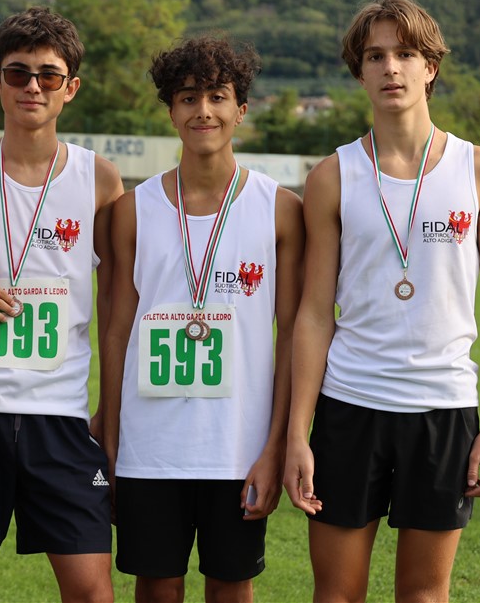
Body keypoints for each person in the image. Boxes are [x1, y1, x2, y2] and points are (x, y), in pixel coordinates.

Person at [282, 0, 480, 602]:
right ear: (359, 72)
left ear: (430, 67)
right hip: (350, 404)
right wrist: (298, 433)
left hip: (443, 409)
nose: (391, 67)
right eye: (375, 56)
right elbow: (314, 313)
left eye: (406, 54)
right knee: (337, 594)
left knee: (423, 594)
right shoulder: (331, 177)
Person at [101, 36, 305, 603]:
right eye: (188, 98)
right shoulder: (132, 210)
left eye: (218, 97)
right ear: (171, 111)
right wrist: (112, 442)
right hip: (149, 447)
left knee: (231, 587)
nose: (203, 111)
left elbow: (292, 334)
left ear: (241, 110)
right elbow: (117, 333)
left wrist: (275, 446)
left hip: (238, 447)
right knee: (157, 587)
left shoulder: (280, 210)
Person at [0, 7, 123, 603]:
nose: (33, 87)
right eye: (18, 73)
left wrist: (110, 412)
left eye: (49, 75)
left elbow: (115, 310)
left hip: (60, 413)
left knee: (91, 588)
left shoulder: (100, 180)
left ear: (71, 88)